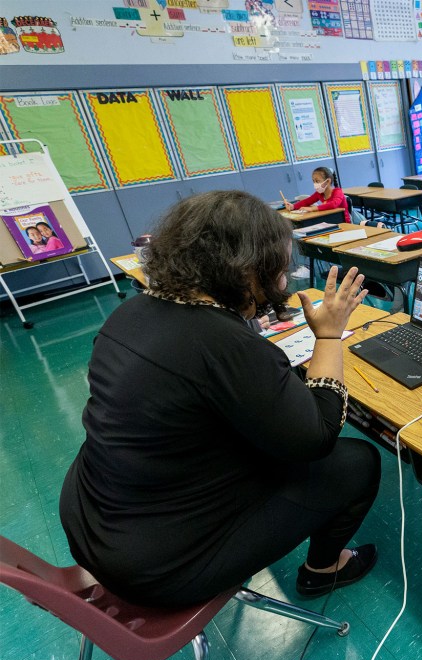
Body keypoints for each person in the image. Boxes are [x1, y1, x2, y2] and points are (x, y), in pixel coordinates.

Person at [59, 190, 381, 607]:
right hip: (160, 567)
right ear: (244, 269)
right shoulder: (223, 345)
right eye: (278, 269)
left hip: (94, 522)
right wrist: (329, 333)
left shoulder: (132, 313)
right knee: (357, 462)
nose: (282, 281)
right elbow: (315, 437)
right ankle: (323, 570)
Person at [285, 166, 351, 222]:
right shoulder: (319, 193)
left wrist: (312, 209)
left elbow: (333, 204)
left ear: (328, 181)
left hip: (344, 222)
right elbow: (307, 201)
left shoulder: (338, 192)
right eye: (313, 181)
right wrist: (293, 206)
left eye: (317, 181)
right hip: (330, 221)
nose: (315, 184)